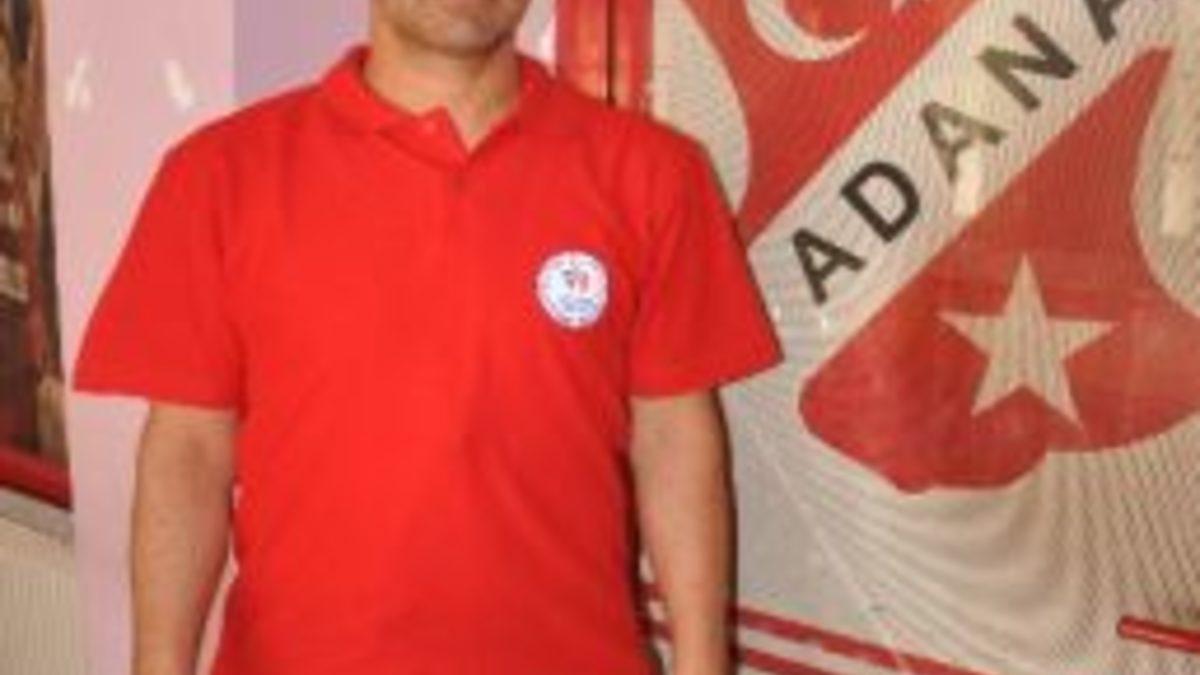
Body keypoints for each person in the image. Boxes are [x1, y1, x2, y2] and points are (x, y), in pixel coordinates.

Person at [72, 1, 781, 673]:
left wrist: (702, 661)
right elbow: (188, 452)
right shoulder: (221, 174)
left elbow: (674, 435)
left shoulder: (652, 174)